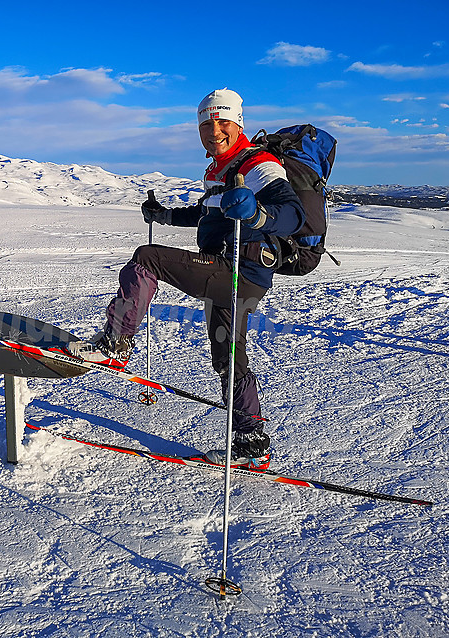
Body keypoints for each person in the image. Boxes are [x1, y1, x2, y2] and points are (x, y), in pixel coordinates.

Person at [68, 88, 305, 469]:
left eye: (223, 122)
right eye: (207, 124)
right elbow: (206, 213)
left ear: (237, 123)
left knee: (147, 260)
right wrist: (163, 215)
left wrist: (258, 214)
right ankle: (251, 441)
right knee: (229, 357)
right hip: (237, 274)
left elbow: (293, 214)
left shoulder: (258, 165)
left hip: (236, 272)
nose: (214, 132)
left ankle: (116, 344)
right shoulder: (218, 170)